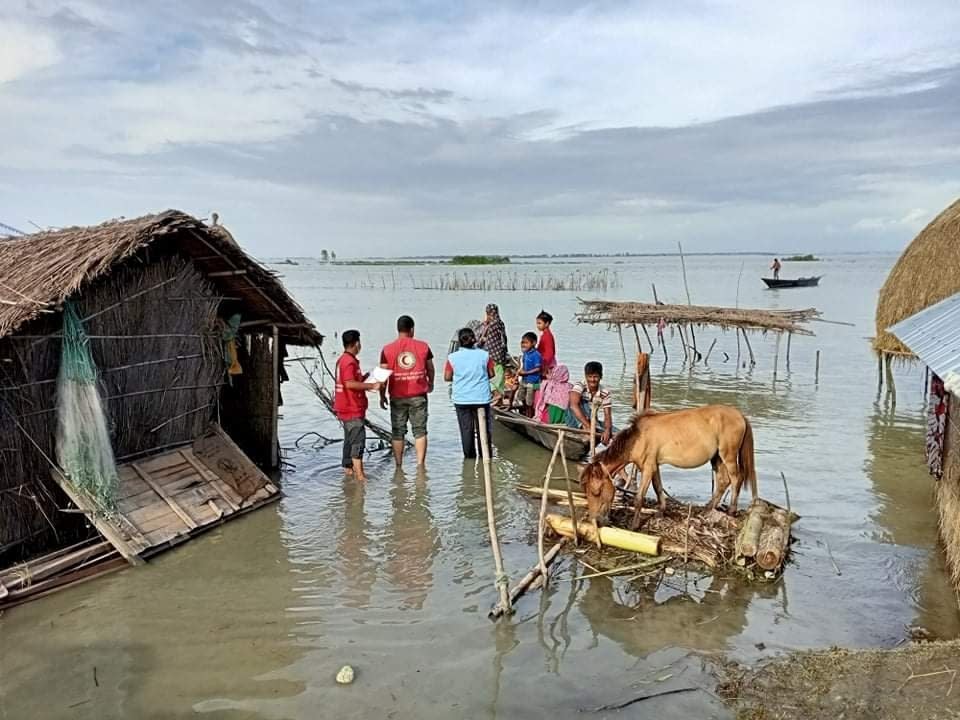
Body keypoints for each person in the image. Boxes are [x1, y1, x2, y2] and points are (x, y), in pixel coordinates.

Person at [380, 315, 434, 468]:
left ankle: (398, 465)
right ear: (412, 329)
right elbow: (430, 368)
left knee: (398, 432)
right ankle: (420, 465)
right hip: (418, 395)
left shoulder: (387, 349)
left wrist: (381, 395)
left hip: (397, 395)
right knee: (420, 431)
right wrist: (431, 383)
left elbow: (383, 376)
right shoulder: (423, 346)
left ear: (398, 330)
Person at [334, 330, 382, 481]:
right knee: (357, 440)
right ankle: (360, 476)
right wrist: (371, 386)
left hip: (345, 407)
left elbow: (352, 380)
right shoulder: (349, 362)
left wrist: (366, 377)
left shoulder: (343, 360)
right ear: (356, 344)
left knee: (349, 439)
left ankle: (348, 470)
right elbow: (349, 383)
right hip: (352, 407)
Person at [444, 327, 495, 459]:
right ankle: (486, 456)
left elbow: (447, 377)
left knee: (466, 431)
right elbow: (491, 374)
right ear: (474, 340)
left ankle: (470, 459)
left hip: (462, 399)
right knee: (484, 430)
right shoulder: (484, 355)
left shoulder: (452, 357)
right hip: (481, 398)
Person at [566, 361, 614, 445]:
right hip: (574, 420)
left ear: (601, 377)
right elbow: (573, 406)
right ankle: (586, 427)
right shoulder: (580, 386)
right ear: (585, 376)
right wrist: (588, 427)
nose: (592, 380)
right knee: (578, 402)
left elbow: (607, 415)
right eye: (590, 377)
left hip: (592, 420)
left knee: (618, 433)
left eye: (595, 377)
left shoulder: (605, 393)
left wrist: (607, 430)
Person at [477, 303, 508, 404]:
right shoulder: (500, 323)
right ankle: (499, 400)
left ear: (488, 313)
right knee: (499, 377)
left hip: (492, 356)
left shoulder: (490, 325)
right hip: (501, 355)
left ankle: (497, 396)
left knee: (493, 377)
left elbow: (482, 339)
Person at [516, 332, 542, 417]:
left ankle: (529, 416)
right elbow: (522, 365)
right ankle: (523, 413)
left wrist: (526, 373)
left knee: (529, 401)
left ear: (533, 343)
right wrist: (519, 372)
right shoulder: (525, 353)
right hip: (524, 379)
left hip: (532, 381)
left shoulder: (536, 355)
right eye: (523, 342)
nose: (524, 345)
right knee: (521, 397)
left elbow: (538, 368)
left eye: (526, 343)